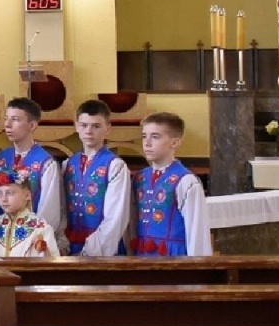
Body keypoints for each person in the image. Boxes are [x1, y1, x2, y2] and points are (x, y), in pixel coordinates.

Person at [0, 97, 63, 247]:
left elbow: (50, 211)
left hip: (31, 241)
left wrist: (33, 238)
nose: (7, 124)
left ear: (32, 125)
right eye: (6, 119)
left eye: (15, 119)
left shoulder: (46, 163)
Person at [134, 112, 210, 256]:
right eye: (144, 136)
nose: (147, 143)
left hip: (173, 256)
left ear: (174, 142)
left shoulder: (186, 181)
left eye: (155, 137)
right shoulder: (139, 178)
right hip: (141, 254)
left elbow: (197, 232)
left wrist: (198, 265)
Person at [64, 100, 131, 257]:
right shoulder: (67, 164)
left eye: (96, 126)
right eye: (84, 125)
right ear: (76, 126)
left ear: (107, 129)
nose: (89, 131)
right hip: (70, 245)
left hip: (103, 250)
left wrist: (91, 252)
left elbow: (115, 217)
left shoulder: (115, 166)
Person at [0, 168, 61, 258]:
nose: (3, 199)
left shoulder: (40, 229)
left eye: (10, 193)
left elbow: (51, 263)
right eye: (0, 194)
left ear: (27, 195)